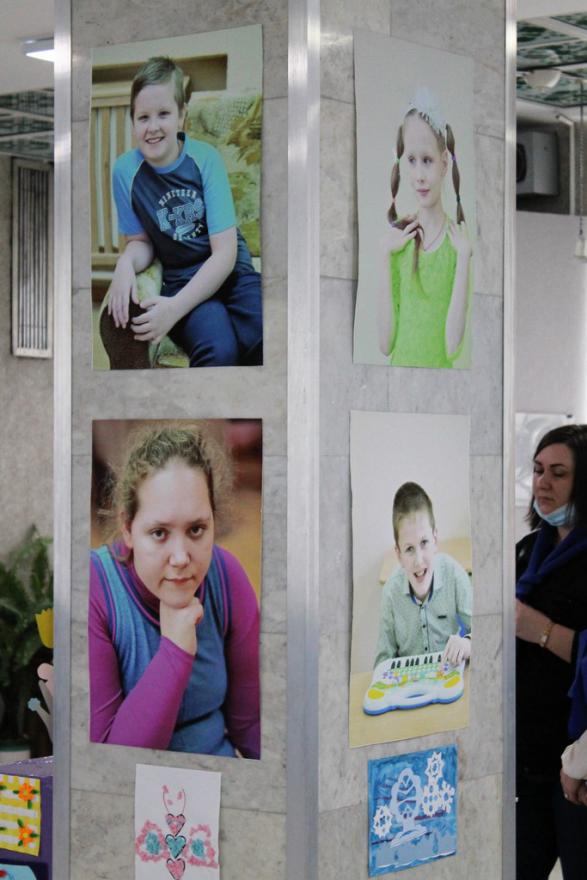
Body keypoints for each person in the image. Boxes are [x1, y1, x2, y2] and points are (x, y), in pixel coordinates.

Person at [88, 424, 260, 759]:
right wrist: (176, 650)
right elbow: (110, 765)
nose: (181, 558)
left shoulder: (227, 576)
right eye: (159, 533)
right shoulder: (95, 588)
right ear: (127, 528)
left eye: (196, 529)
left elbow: (251, 725)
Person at [100, 56, 262, 369]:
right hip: (182, 279)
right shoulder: (125, 172)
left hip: (232, 273)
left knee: (263, 337)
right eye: (143, 117)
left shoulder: (205, 159)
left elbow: (225, 253)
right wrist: (124, 264)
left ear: (181, 116)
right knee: (218, 351)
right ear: (132, 122)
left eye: (163, 114)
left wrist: (174, 310)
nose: (153, 127)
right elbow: (141, 242)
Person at [516, 424, 587, 879]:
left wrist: (539, 630)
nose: (543, 482)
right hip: (528, 757)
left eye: (558, 473)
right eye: (539, 470)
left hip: (577, 758)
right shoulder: (527, 551)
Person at [377, 88, 472, 369]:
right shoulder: (398, 242)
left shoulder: (457, 245)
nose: (419, 175)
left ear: (444, 163)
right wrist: (383, 256)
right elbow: (385, 345)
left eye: (427, 161)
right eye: (412, 161)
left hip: (441, 388)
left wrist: (463, 259)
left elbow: (452, 347)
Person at [374, 482, 472, 666]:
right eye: (409, 549)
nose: (419, 561)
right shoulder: (390, 593)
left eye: (424, 542)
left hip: (449, 675)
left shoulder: (454, 574)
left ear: (435, 540)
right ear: (399, 554)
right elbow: (382, 661)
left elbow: (487, 634)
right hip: (409, 682)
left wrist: (468, 643)